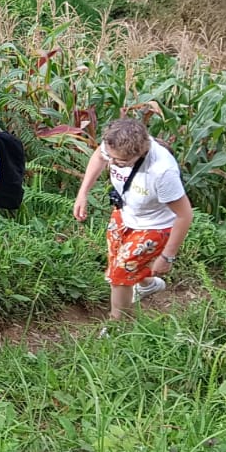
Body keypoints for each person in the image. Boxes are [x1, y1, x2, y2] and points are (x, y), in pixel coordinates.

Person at [72, 117, 193, 324]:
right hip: (124, 213)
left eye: (120, 161)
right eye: (110, 157)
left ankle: (117, 323)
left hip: (155, 225)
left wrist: (167, 256)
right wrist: (82, 193)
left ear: (139, 153)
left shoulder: (162, 172)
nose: (112, 163)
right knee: (117, 262)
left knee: (118, 274)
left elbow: (185, 215)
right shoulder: (114, 144)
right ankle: (148, 284)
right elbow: (99, 156)